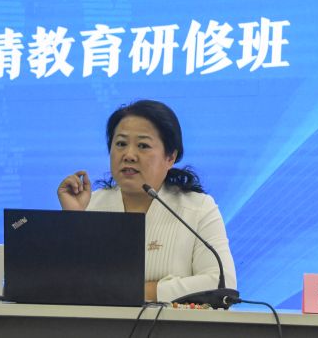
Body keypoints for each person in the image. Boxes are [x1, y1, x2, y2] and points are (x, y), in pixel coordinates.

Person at [56, 99, 236, 303]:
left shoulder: (198, 208)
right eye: (121, 144)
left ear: (170, 157)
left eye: (143, 145)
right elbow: (62, 285)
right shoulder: (91, 205)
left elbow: (223, 284)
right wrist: (74, 220)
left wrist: (139, 291)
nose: (129, 155)